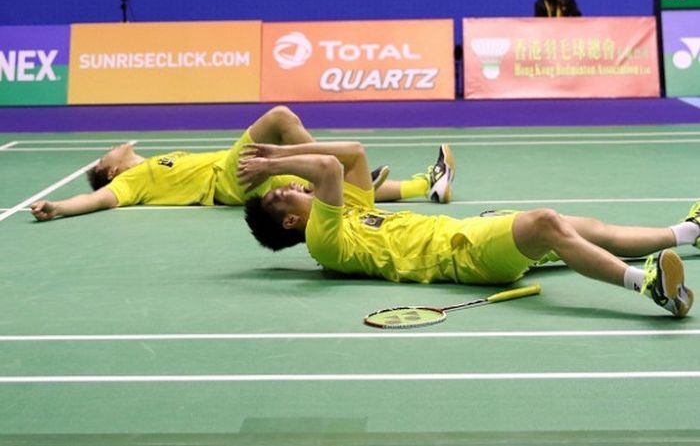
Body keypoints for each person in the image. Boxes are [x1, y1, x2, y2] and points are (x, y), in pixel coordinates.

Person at [241, 141, 696, 318]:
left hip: (468, 231)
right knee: (548, 223)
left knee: (586, 227)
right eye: (284, 195)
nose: (292, 185)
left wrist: (279, 155)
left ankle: (687, 233)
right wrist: (273, 162)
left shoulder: (350, 213)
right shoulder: (325, 239)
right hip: (463, 255)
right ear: (292, 221)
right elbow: (326, 168)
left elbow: (354, 155)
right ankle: (647, 285)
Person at [30, 106, 453, 222]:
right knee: (281, 119)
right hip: (231, 181)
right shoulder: (135, 180)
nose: (115, 148)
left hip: (243, 176)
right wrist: (60, 207)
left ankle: (425, 185)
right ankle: (333, 165)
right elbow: (100, 199)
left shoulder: (158, 160)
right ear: (113, 171)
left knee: (317, 183)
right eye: (106, 156)